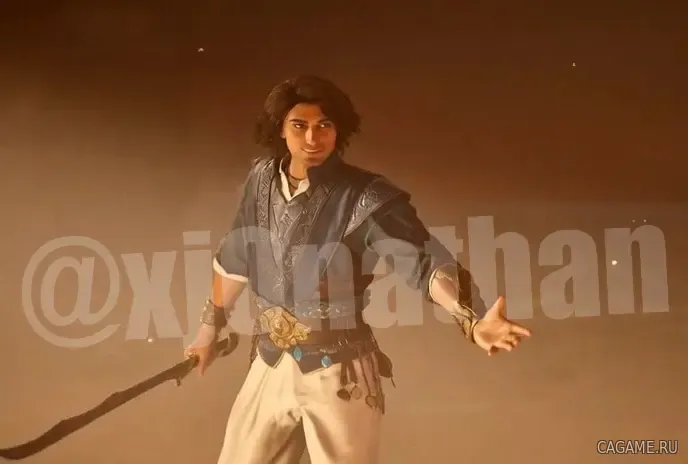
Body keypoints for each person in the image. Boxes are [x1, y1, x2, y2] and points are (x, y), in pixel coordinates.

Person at [184, 75, 532, 464]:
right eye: (299, 125)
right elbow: (235, 258)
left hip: (339, 370)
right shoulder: (261, 180)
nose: (312, 138)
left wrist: (471, 318)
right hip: (269, 361)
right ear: (281, 128)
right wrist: (207, 332)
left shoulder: (366, 195)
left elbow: (423, 260)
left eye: (324, 125)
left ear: (338, 130)